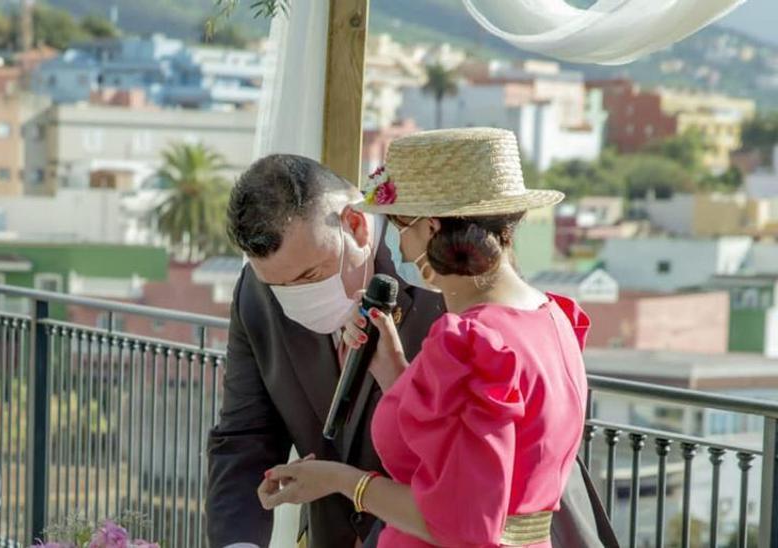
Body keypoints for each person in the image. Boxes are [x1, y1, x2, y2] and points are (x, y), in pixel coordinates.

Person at [208, 153, 616, 548]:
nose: (400, 245)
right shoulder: (555, 319)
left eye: (402, 227)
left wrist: (342, 481)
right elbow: (245, 432)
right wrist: (396, 374)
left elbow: (462, 515)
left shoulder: (464, 329)